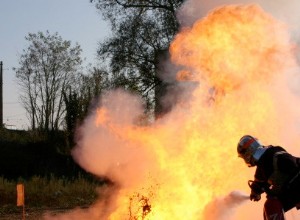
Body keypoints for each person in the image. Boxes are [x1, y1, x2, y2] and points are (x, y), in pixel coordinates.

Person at [237, 135, 300, 220]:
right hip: (293, 189)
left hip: (296, 186)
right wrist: (255, 191)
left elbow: (291, 166)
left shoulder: (273, 156)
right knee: (271, 205)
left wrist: (274, 189)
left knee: (271, 204)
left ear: (248, 153)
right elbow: (259, 180)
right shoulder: (266, 159)